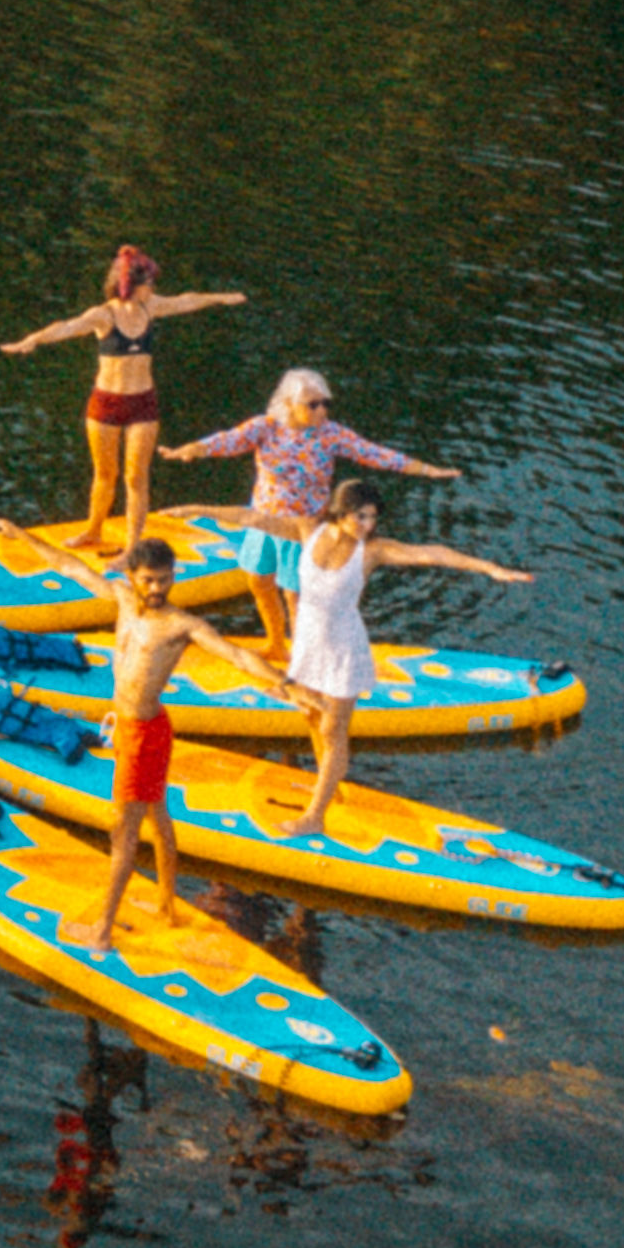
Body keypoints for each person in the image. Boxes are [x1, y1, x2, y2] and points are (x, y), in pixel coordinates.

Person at [284, 477, 532, 842]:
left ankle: (315, 816)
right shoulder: (311, 531)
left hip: (342, 651)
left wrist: (489, 568)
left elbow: (431, 553)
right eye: (361, 517)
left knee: (332, 731)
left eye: (373, 519)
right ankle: (329, 784)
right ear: (342, 512)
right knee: (309, 714)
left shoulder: (371, 551)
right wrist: (199, 511)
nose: (369, 526)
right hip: (308, 644)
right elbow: (253, 517)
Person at [92, 538, 288, 954]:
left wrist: (280, 682)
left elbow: (233, 654)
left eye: (165, 579)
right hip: (139, 730)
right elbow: (74, 570)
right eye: (149, 580)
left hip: (145, 735)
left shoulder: (182, 624)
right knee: (157, 815)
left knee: (123, 834)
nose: (158, 588)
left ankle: (102, 932)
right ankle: (165, 904)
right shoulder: (124, 600)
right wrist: (24, 539)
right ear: (132, 577)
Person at [162, 368, 459, 642]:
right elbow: (228, 441)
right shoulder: (265, 428)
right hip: (262, 521)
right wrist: (192, 450)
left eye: (325, 403)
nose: (322, 410)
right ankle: (276, 642)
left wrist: (426, 470)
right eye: (312, 404)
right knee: (259, 582)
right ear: (289, 404)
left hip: (302, 528)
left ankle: (302, 654)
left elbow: (374, 453)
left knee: (295, 595)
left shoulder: (331, 434)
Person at [0, 248, 250, 553]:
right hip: (106, 404)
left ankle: (132, 546)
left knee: (136, 477)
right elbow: (64, 327)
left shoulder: (150, 307)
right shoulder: (103, 314)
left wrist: (221, 297)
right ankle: (92, 530)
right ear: (131, 284)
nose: (154, 289)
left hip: (143, 404)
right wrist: (32, 340)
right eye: (149, 283)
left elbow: (187, 300)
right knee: (105, 475)